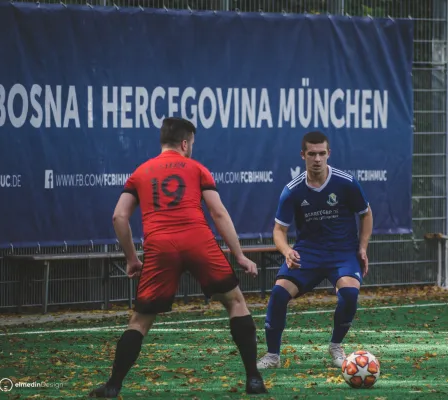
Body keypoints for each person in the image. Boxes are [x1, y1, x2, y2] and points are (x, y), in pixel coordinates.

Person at [89, 117, 267, 397]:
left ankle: (113, 385)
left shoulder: (140, 172)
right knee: (235, 302)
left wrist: (133, 259)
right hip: (198, 240)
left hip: (160, 247)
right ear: (185, 143)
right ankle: (254, 379)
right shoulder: (197, 169)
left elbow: (119, 216)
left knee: (140, 320)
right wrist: (240, 256)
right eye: (192, 144)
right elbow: (218, 213)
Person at [257, 131, 373, 369]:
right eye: (312, 154)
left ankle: (335, 346)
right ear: (303, 155)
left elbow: (366, 214)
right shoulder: (292, 190)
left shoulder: (346, 183)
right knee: (279, 294)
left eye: (322, 153)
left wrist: (362, 248)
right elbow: (279, 231)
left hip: (342, 253)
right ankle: (272, 356)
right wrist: (287, 250)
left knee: (350, 294)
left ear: (329, 153)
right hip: (308, 253)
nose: (317, 159)